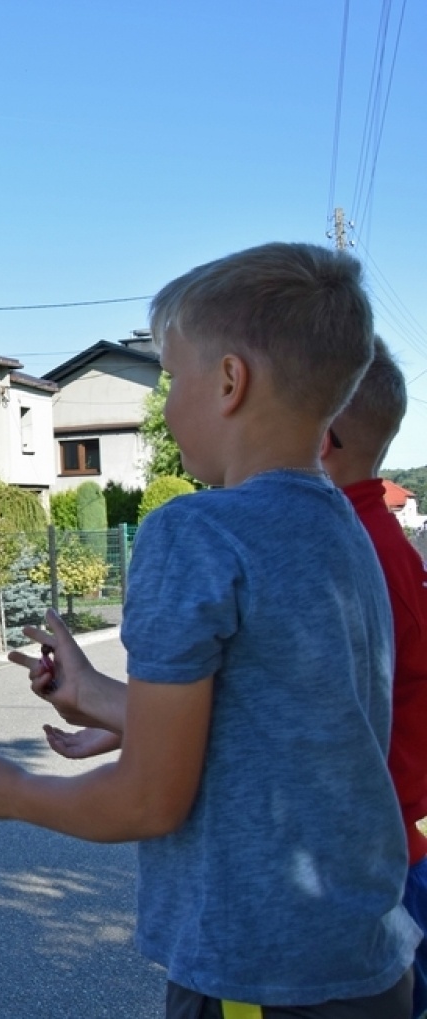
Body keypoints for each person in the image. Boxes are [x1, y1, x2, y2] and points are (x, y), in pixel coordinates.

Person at [0, 243, 418, 1016]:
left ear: (229, 381)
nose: (167, 403)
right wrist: (98, 697)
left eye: (172, 377)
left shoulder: (195, 534)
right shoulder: (346, 529)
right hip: (364, 961)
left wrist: (11, 790)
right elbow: (287, 724)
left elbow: (149, 800)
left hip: (257, 973)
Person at [321, 338, 427, 1019]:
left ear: (320, 435)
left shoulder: (340, 552)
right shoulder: (384, 536)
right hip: (400, 845)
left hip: (364, 868)